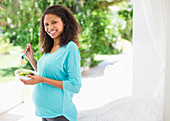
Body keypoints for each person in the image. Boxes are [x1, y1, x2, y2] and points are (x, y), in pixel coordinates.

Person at [20, 4, 82, 121]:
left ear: (65, 22)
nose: (49, 27)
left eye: (54, 22)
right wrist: (32, 59)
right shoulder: (50, 49)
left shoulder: (70, 48)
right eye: (46, 24)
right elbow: (45, 74)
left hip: (60, 115)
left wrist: (42, 80)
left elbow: (75, 86)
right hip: (45, 114)